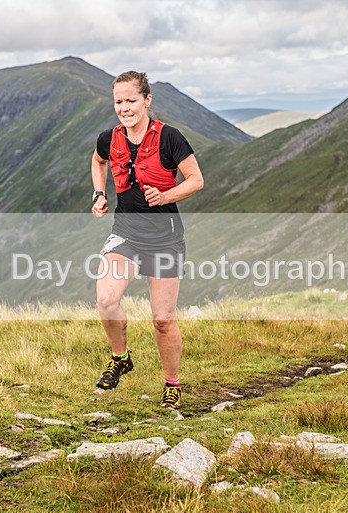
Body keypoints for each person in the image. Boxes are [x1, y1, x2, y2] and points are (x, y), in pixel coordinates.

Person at [89, 70, 204, 409]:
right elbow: (98, 161)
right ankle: (120, 358)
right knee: (106, 299)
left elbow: (196, 180)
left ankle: (172, 384)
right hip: (126, 233)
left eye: (131, 100)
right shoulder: (109, 138)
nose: (124, 108)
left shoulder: (170, 138)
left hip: (165, 239)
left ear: (147, 100)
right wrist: (99, 193)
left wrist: (166, 196)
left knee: (163, 320)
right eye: (118, 102)